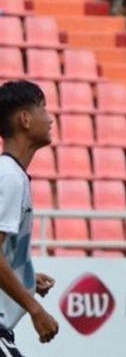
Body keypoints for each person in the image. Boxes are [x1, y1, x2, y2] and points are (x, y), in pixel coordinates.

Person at [0, 80, 60, 356]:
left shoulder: (13, 175)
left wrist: (25, 277)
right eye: (43, 109)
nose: (49, 119)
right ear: (25, 119)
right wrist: (35, 309)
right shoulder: (10, 178)